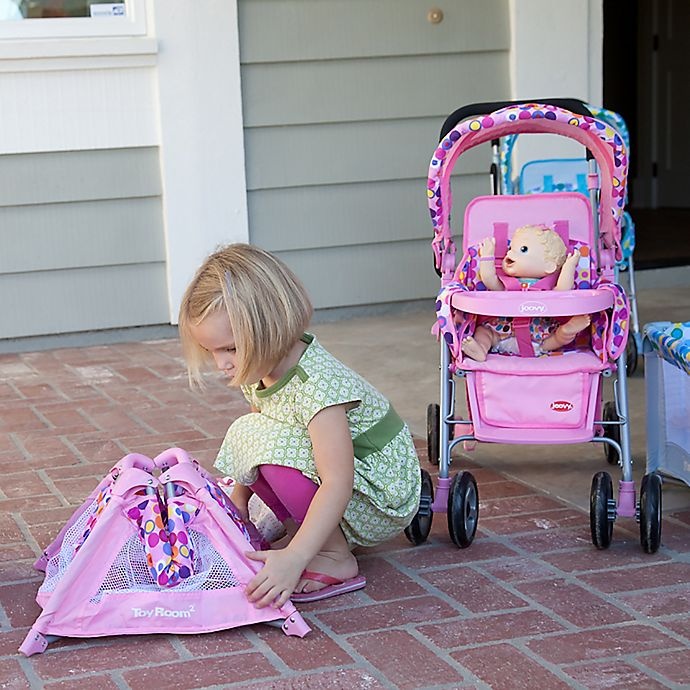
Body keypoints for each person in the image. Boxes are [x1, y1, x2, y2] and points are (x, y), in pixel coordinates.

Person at [178, 243, 421, 608]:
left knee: (267, 443)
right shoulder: (258, 365)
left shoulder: (316, 387)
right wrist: (239, 506)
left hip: (380, 489)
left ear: (269, 329)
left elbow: (339, 480)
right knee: (252, 432)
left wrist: (296, 557)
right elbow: (258, 437)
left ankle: (335, 556)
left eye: (229, 348)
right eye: (213, 351)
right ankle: (309, 537)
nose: (221, 364)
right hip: (343, 478)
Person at [461, 224, 591, 361]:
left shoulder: (547, 289)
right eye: (511, 249)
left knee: (558, 337)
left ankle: (567, 331)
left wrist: (569, 266)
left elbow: (563, 290)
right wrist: (487, 256)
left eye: (523, 250)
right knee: (483, 332)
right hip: (500, 332)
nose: (510, 253)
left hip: (540, 335)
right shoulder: (507, 284)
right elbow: (489, 280)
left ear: (549, 266)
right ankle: (480, 349)